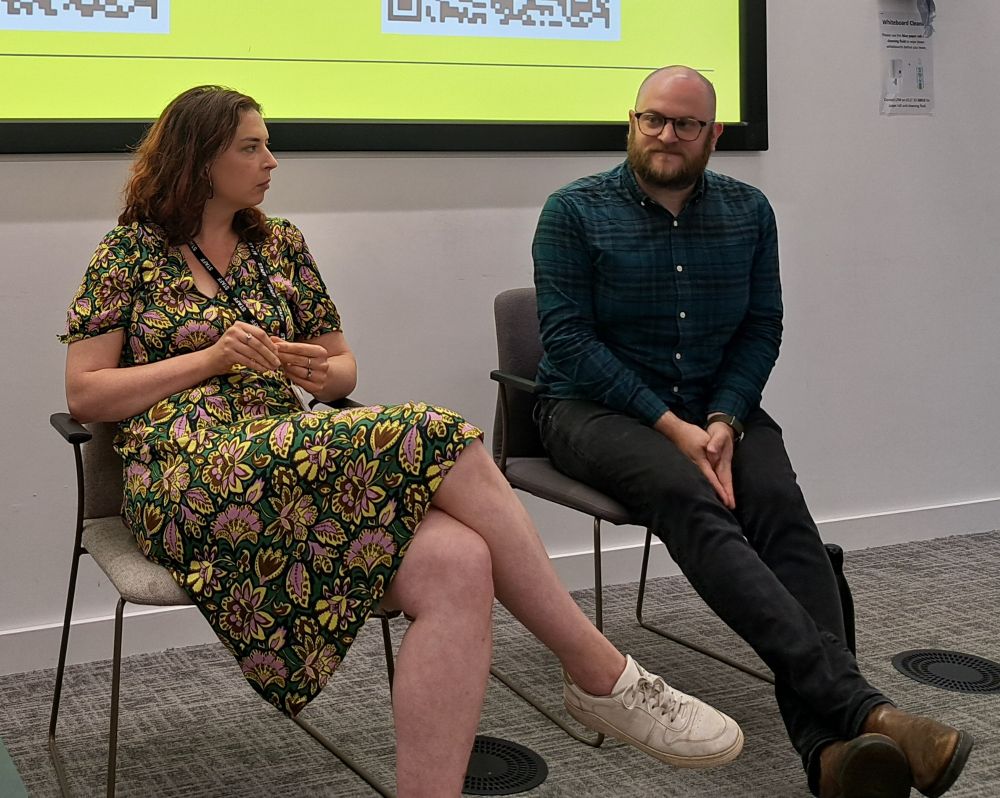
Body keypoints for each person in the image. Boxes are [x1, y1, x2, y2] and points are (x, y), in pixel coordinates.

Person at [60, 85, 745, 797]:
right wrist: (210, 359)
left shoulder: (280, 245)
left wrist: (314, 371)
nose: (271, 160)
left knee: (460, 561)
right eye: (251, 147)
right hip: (187, 474)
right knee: (437, 433)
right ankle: (600, 673)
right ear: (200, 158)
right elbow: (85, 393)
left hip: (288, 452)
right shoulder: (128, 252)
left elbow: (341, 367)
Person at [531, 66, 974, 798]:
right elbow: (569, 341)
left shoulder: (749, 211)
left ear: (713, 135)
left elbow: (762, 326)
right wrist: (674, 428)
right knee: (691, 499)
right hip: (592, 410)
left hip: (718, 411)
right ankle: (866, 711)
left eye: (685, 124)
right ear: (632, 123)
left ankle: (830, 757)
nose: (666, 135)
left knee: (782, 513)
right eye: (653, 119)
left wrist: (724, 417)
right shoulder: (573, 211)